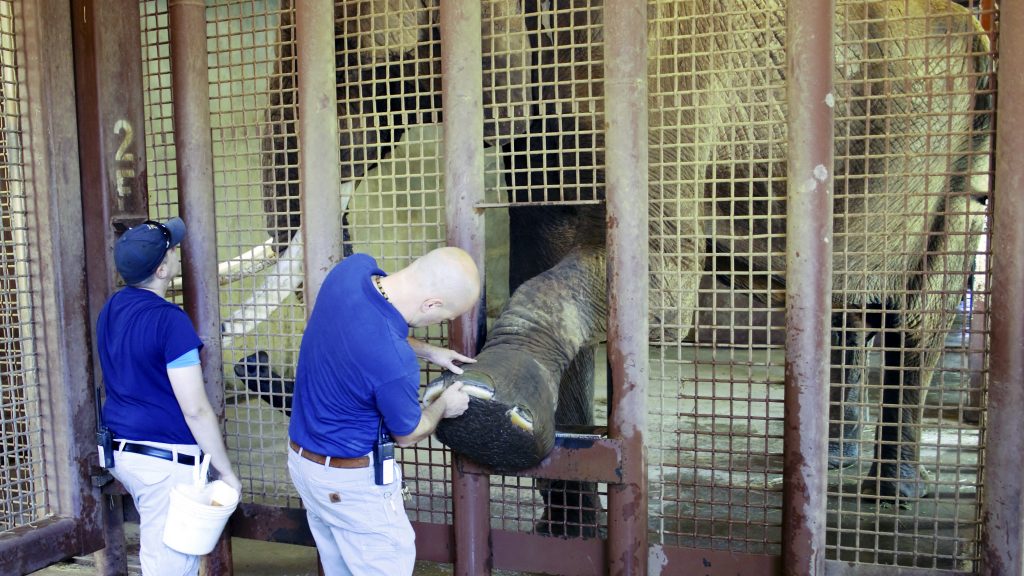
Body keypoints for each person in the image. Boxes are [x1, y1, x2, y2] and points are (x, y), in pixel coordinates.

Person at [287, 247, 480, 576]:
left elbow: (367, 328)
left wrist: (431, 351)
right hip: (351, 484)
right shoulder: (395, 365)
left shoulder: (350, 271)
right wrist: (443, 406)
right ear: (431, 304)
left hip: (303, 465)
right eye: (445, 316)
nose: (442, 321)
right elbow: (408, 433)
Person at [96, 217, 242, 576]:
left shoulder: (111, 309)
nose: (178, 251)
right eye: (173, 249)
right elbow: (195, 408)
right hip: (161, 463)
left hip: (122, 452)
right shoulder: (170, 321)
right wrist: (225, 472)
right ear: (163, 269)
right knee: (170, 566)